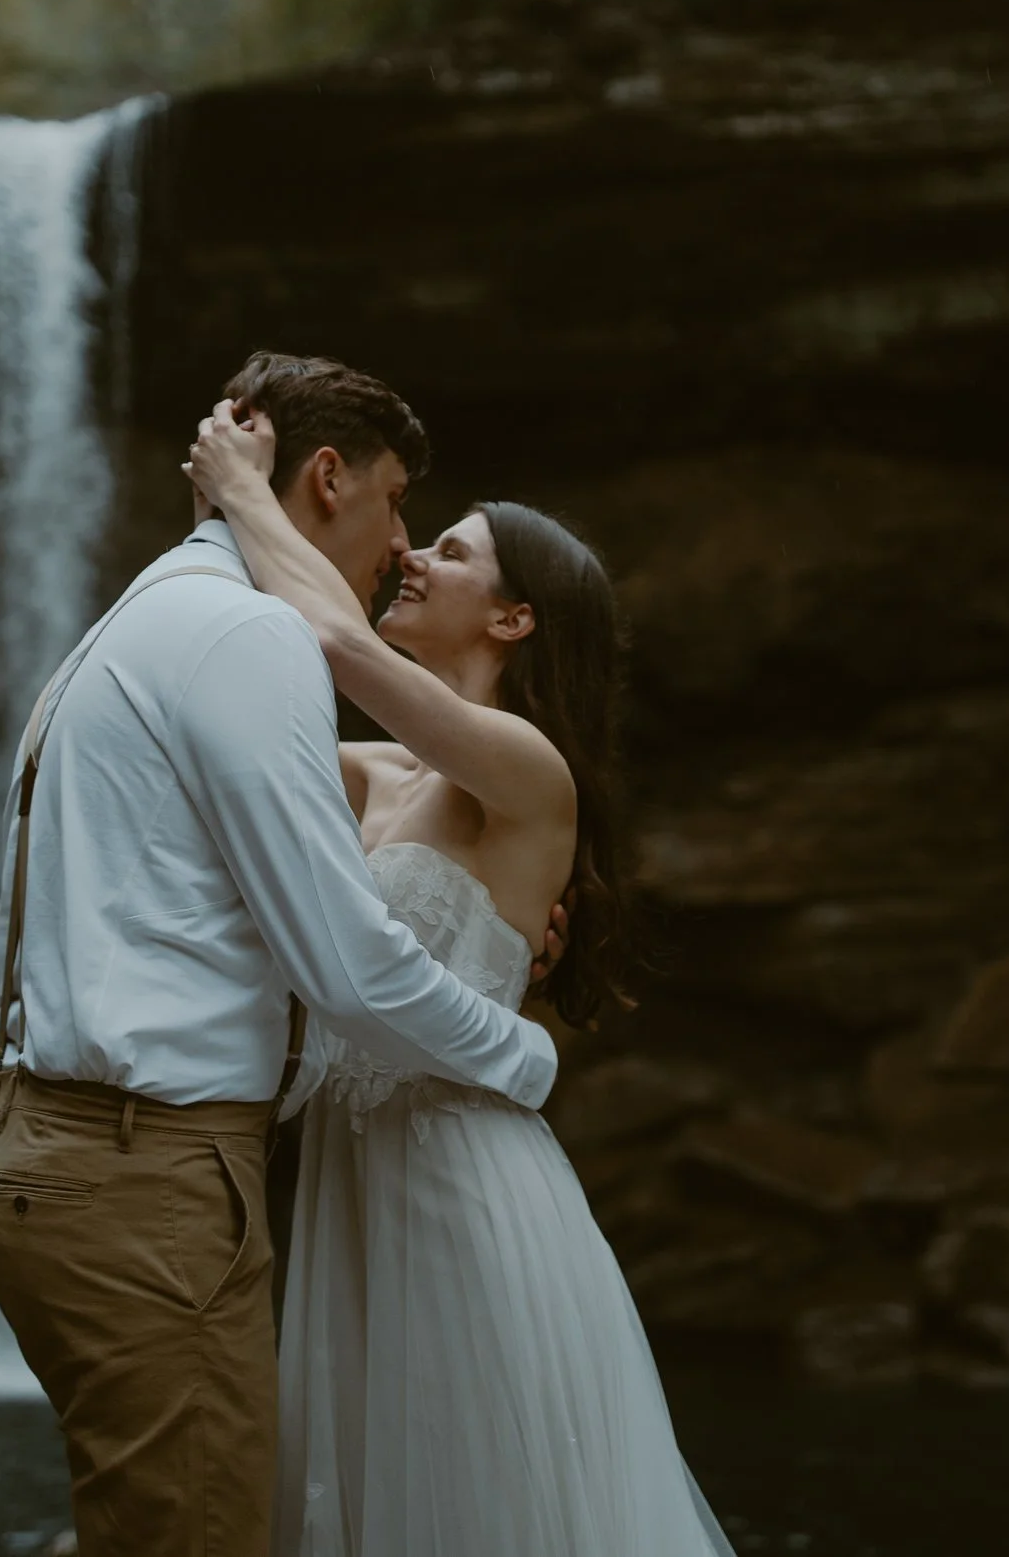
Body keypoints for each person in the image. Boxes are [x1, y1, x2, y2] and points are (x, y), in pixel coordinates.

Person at [0, 353, 567, 1557]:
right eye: (399, 501)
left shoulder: (140, 619)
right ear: (329, 478)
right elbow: (346, 959)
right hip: (146, 1178)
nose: (403, 542)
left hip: (78, 1152)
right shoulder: (243, 638)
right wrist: (524, 1047)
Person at [185, 395, 735, 1557]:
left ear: (516, 615)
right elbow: (235, 707)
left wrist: (243, 491)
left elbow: (330, 639)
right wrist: (220, 527)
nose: (410, 553)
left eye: (450, 548)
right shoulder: (377, 776)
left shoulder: (531, 770)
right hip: (351, 1177)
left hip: (462, 1182)